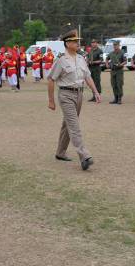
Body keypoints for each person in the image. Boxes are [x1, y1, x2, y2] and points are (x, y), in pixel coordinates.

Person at [47, 29, 101, 170]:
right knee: (74, 126)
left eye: (78, 41)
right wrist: (51, 100)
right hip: (65, 95)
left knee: (68, 125)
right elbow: (51, 79)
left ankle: (60, 152)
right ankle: (84, 156)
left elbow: (87, 76)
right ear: (67, 43)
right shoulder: (61, 59)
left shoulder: (81, 58)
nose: (78, 43)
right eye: (75, 41)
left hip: (79, 94)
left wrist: (95, 91)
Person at [106, 40, 126, 104]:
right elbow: (107, 58)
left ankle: (119, 98)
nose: (115, 46)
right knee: (113, 84)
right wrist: (107, 64)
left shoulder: (122, 52)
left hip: (119, 71)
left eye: (116, 45)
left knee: (119, 84)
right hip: (113, 71)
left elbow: (125, 61)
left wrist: (121, 64)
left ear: (118, 45)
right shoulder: (111, 53)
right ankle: (115, 98)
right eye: (114, 45)